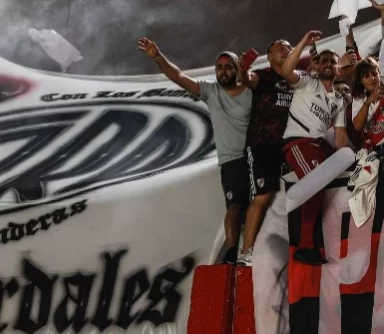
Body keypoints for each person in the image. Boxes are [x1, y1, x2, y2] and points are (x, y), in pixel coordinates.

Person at [138, 38, 252, 265]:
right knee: (234, 206)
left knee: (257, 208)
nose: (223, 71)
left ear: (237, 68)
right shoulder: (211, 91)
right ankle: (232, 253)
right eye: (219, 67)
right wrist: (158, 57)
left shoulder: (251, 91)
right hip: (231, 161)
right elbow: (179, 77)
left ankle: (252, 251)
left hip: (255, 158)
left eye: (228, 67)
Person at [279, 30, 348, 265]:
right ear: (316, 66)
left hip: (319, 147)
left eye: (333, 62)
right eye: (324, 60)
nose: (328, 64)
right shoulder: (307, 83)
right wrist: (303, 42)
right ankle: (304, 246)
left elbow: (340, 137)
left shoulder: (339, 100)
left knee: (323, 192)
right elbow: (286, 71)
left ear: (339, 70)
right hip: (298, 141)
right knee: (314, 184)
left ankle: (314, 244)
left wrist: (346, 160)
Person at [237, 39, 294, 266]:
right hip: (263, 145)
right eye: (279, 47)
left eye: (288, 47)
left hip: (290, 146)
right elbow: (246, 79)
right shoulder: (263, 76)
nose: (284, 49)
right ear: (269, 56)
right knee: (263, 196)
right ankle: (246, 252)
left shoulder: (296, 80)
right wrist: (243, 69)